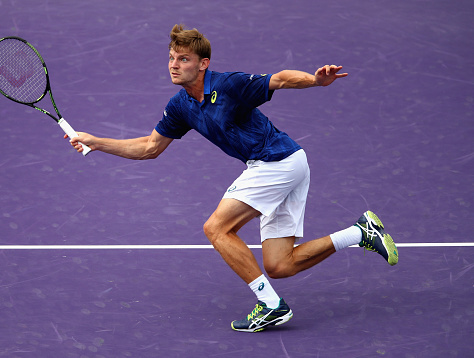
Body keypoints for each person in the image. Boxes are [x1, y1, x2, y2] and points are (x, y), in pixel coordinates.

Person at [66, 24, 399, 332]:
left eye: (184, 59)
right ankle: (360, 232)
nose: (174, 65)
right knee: (280, 265)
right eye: (171, 58)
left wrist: (315, 80)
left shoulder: (229, 85)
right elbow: (151, 147)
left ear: (203, 63)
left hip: (276, 161)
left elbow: (280, 79)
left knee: (216, 228)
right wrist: (96, 142)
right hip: (287, 164)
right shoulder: (181, 105)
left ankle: (271, 305)